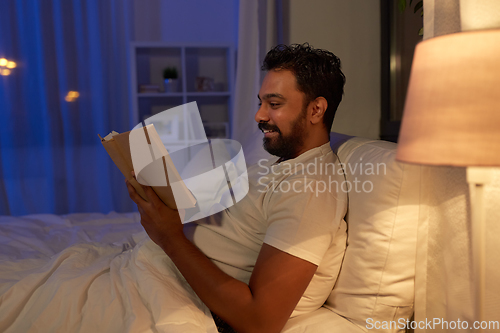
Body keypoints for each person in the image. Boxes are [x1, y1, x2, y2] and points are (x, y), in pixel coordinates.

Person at [126, 43, 347, 333]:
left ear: (316, 109)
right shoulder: (285, 162)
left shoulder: (311, 191)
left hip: (180, 294)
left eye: (274, 104)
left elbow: (260, 321)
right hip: (156, 271)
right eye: (260, 103)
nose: (259, 116)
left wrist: (169, 237)